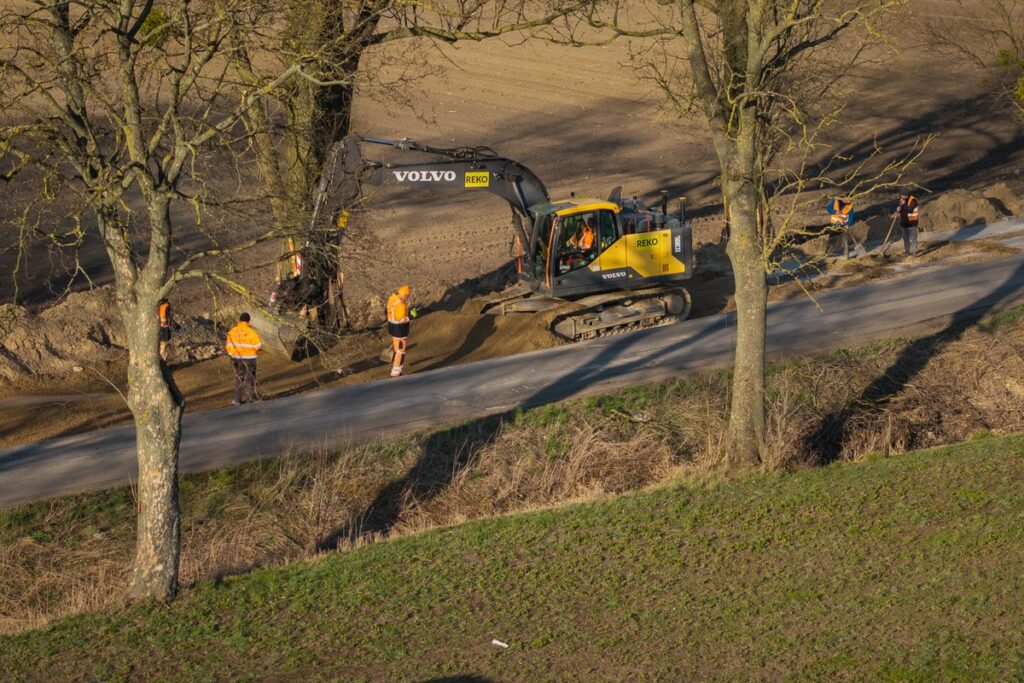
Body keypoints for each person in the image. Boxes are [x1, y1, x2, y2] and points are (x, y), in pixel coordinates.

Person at [225, 312, 262, 405]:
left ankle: (237, 400)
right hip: (250, 359)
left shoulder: (232, 332)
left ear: (239, 320)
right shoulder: (252, 332)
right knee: (250, 378)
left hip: (237, 359)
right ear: (248, 321)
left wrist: (232, 355)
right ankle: (251, 399)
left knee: (239, 378)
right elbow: (258, 346)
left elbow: (228, 346)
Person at [386, 285, 413, 378]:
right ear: (404, 295)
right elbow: (402, 319)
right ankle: (396, 371)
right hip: (400, 330)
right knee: (400, 351)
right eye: (407, 296)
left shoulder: (392, 299)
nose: (407, 298)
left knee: (397, 349)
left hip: (393, 328)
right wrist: (410, 317)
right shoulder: (400, 305)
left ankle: (398, 369)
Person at [897, 189, 921, 257]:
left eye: (903, 195)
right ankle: (907, 252)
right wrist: (898, 209)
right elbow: (902, 210)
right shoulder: (902, 200)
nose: (901, 196)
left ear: (906, 195)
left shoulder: (913, 200)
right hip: (904, 223)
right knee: (905, 239)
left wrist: (901, 208)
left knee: (913, 238)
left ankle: (914, 252)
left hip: (912, 223)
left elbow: (909, 210)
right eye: (901, 195)